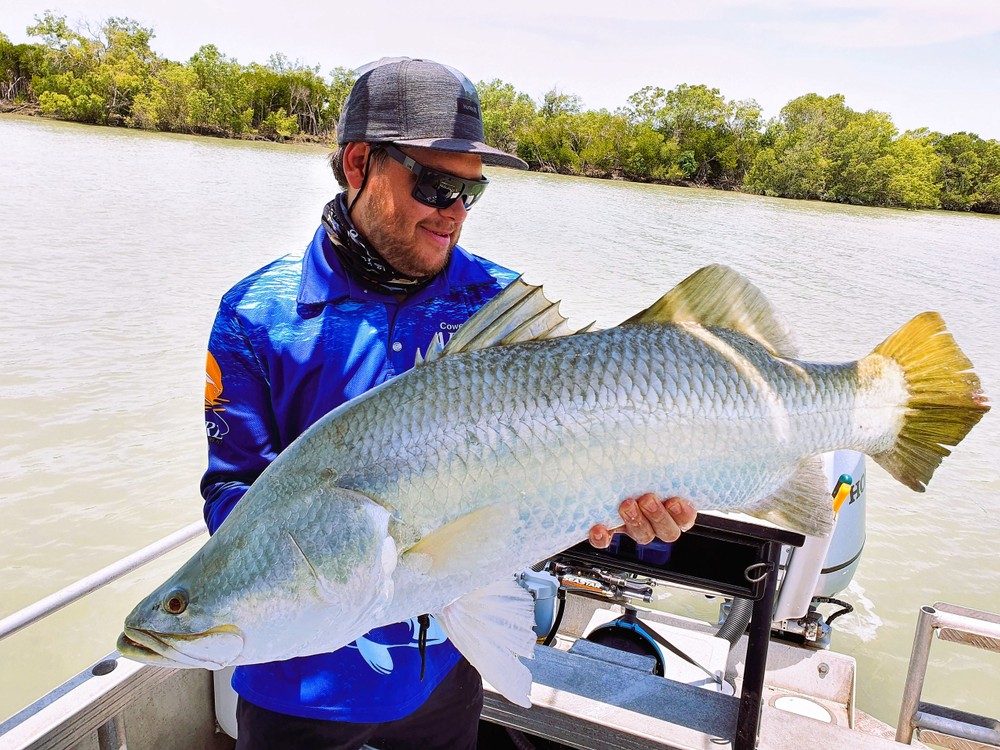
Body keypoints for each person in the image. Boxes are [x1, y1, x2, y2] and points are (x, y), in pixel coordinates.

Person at [201, 57, 697, 750]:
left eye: (472, 193)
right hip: (297, 682)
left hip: (446, 673)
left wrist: (635, 522)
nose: (454, 214)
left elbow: (563, 477)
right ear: (357, 165)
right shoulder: (256, 316)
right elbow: (234, 492)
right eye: (435, 186)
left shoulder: (498, 308)